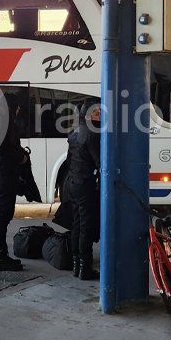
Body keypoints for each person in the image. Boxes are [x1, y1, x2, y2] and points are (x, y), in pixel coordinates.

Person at [0, 94, 29, 272]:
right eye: (16, 107)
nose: (18, 110)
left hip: (2, 173)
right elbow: (8, 151)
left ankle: (2, 256)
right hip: (5, 174)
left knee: (2, 216)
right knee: (2, 217)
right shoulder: (3, 126)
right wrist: (22, 157)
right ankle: (1, 258)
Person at [66, 100, 101, 280]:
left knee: (77, 224)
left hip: (73, 182)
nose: (100, 115)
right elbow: (99, 162)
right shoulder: (92, 134)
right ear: (87, 115)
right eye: (96, 113)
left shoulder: (75, 132)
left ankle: (75, 265)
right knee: (86, 226)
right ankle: (85, 268)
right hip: (85, 183)